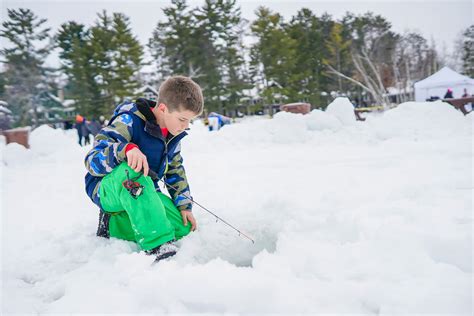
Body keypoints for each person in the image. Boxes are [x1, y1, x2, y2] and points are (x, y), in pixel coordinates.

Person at [84, 76, 204, 262]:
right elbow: (91, 161)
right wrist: (125, 150)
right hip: (107, 189)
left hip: (142, 191)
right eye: (182, 119)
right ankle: (157, 245)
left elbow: (175, 171)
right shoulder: (128, 121)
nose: (185, 126)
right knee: (133, 171)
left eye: (189, 121)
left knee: (183, 227)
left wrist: (184, 205)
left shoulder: (173, 135)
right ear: (163, 109)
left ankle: (115, 223)